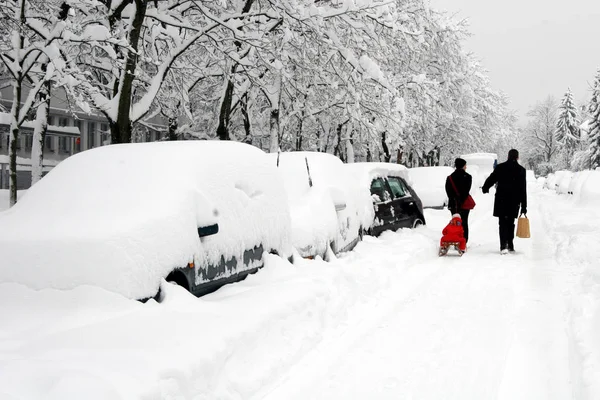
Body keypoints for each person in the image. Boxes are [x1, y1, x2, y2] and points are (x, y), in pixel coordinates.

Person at [481, 149, 527, 254]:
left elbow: (492, 178)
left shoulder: (500, 167)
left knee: (502, 223)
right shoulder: (521, 170)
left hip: (501, 199)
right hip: (514, 201)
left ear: (508, 156)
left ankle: (503, 246)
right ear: (517, 157)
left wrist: (485, 187)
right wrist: (524, 206)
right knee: (511, 222)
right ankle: (510, 244)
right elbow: (523, 189)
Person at [445, 158, 473, 243]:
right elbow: (466, 191)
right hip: (464, 204)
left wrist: (454, 199)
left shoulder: (449, 178)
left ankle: (455, 238)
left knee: (456, 222)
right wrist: (461, 200)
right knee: (464, 222)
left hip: (454, 204)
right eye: (465, 165)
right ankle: (464, 240)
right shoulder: (468, 177)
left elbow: (448, 191)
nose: (466, 167)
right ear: (463, 166)